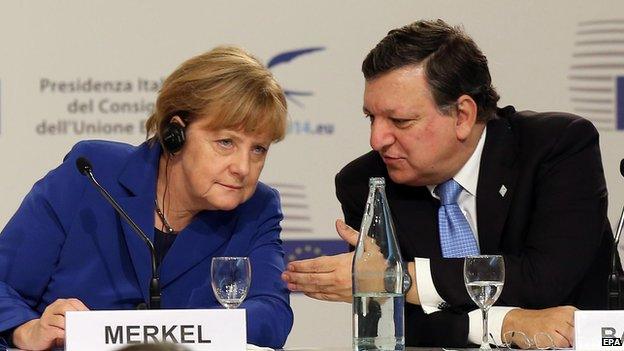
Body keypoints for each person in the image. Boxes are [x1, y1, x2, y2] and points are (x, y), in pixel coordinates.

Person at [282, 19, 612, 348]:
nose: (376, 139)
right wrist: (501, 323)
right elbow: (387, 323)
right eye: (371, 117)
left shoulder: (556, 147)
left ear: (463, 116)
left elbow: (545, 279)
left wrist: (397, 278)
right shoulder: (367, 183)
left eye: (400, 121)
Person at [0, 46, 293, 350]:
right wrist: (26, 329)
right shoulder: (92, 174)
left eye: (258, 149)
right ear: (174, 134)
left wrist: (164, 334)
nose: (243, 168)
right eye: (226, 142)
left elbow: (272, 316)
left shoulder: (257, 209)